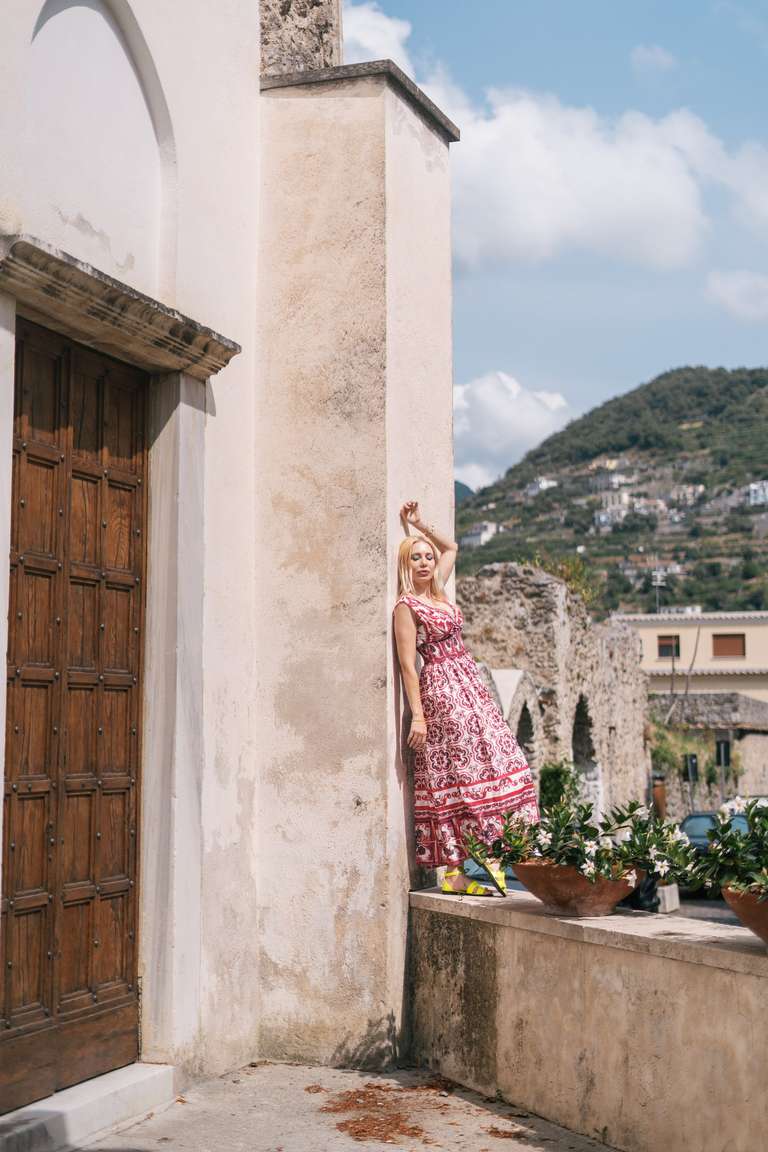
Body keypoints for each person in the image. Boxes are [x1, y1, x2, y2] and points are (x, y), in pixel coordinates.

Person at [393, 500, 539, 896]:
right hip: (442, 690)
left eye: (427, 557)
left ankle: (493, 849)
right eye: (416, 558)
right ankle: (455, 871)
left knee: (504, 761)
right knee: (458, 772)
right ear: (406, 565)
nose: (425, 562)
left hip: (470, 684)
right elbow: (407, 665)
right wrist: (418, 716)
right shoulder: (407, 606)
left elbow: (452, 547)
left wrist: (418, 524)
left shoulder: (439, 593)